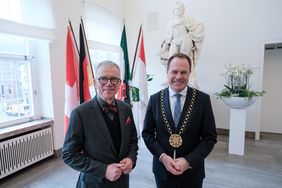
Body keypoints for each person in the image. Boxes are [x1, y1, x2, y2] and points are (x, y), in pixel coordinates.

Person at [142, 53, 217, 188]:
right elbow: (147, 134)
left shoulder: (202, 100)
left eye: (183, 72)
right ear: (167, 72)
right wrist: (162, 157)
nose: (178, 76)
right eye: (174, 72)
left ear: (189, 74)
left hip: (192, 172)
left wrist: (188, 161)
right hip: (162, 171)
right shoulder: (154, 100)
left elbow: (209, 138)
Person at [62, 61, 138, 188]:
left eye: (114, 79)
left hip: (122, 181)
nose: (109, 83)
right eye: (103, 79)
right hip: (94, 183)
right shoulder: (80, 113)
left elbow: (132, 140)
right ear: (95, 82)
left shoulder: (126, 109)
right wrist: (103, 170)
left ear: (119, 83)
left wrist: (131, 159)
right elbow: (68, 154)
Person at [159, 1, 205, 89]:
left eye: (180, 9)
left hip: (185, 40)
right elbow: (168, 37)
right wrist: (164, 48)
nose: (178, 11)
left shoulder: (187, 19)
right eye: (176, 9)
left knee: (186, 60)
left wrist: (192, 37)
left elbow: (199, 26)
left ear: (183, 10)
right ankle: (168, 78)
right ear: (173, 10)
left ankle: (191, 79)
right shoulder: (171, 23)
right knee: (171, 60)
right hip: (174, 41)